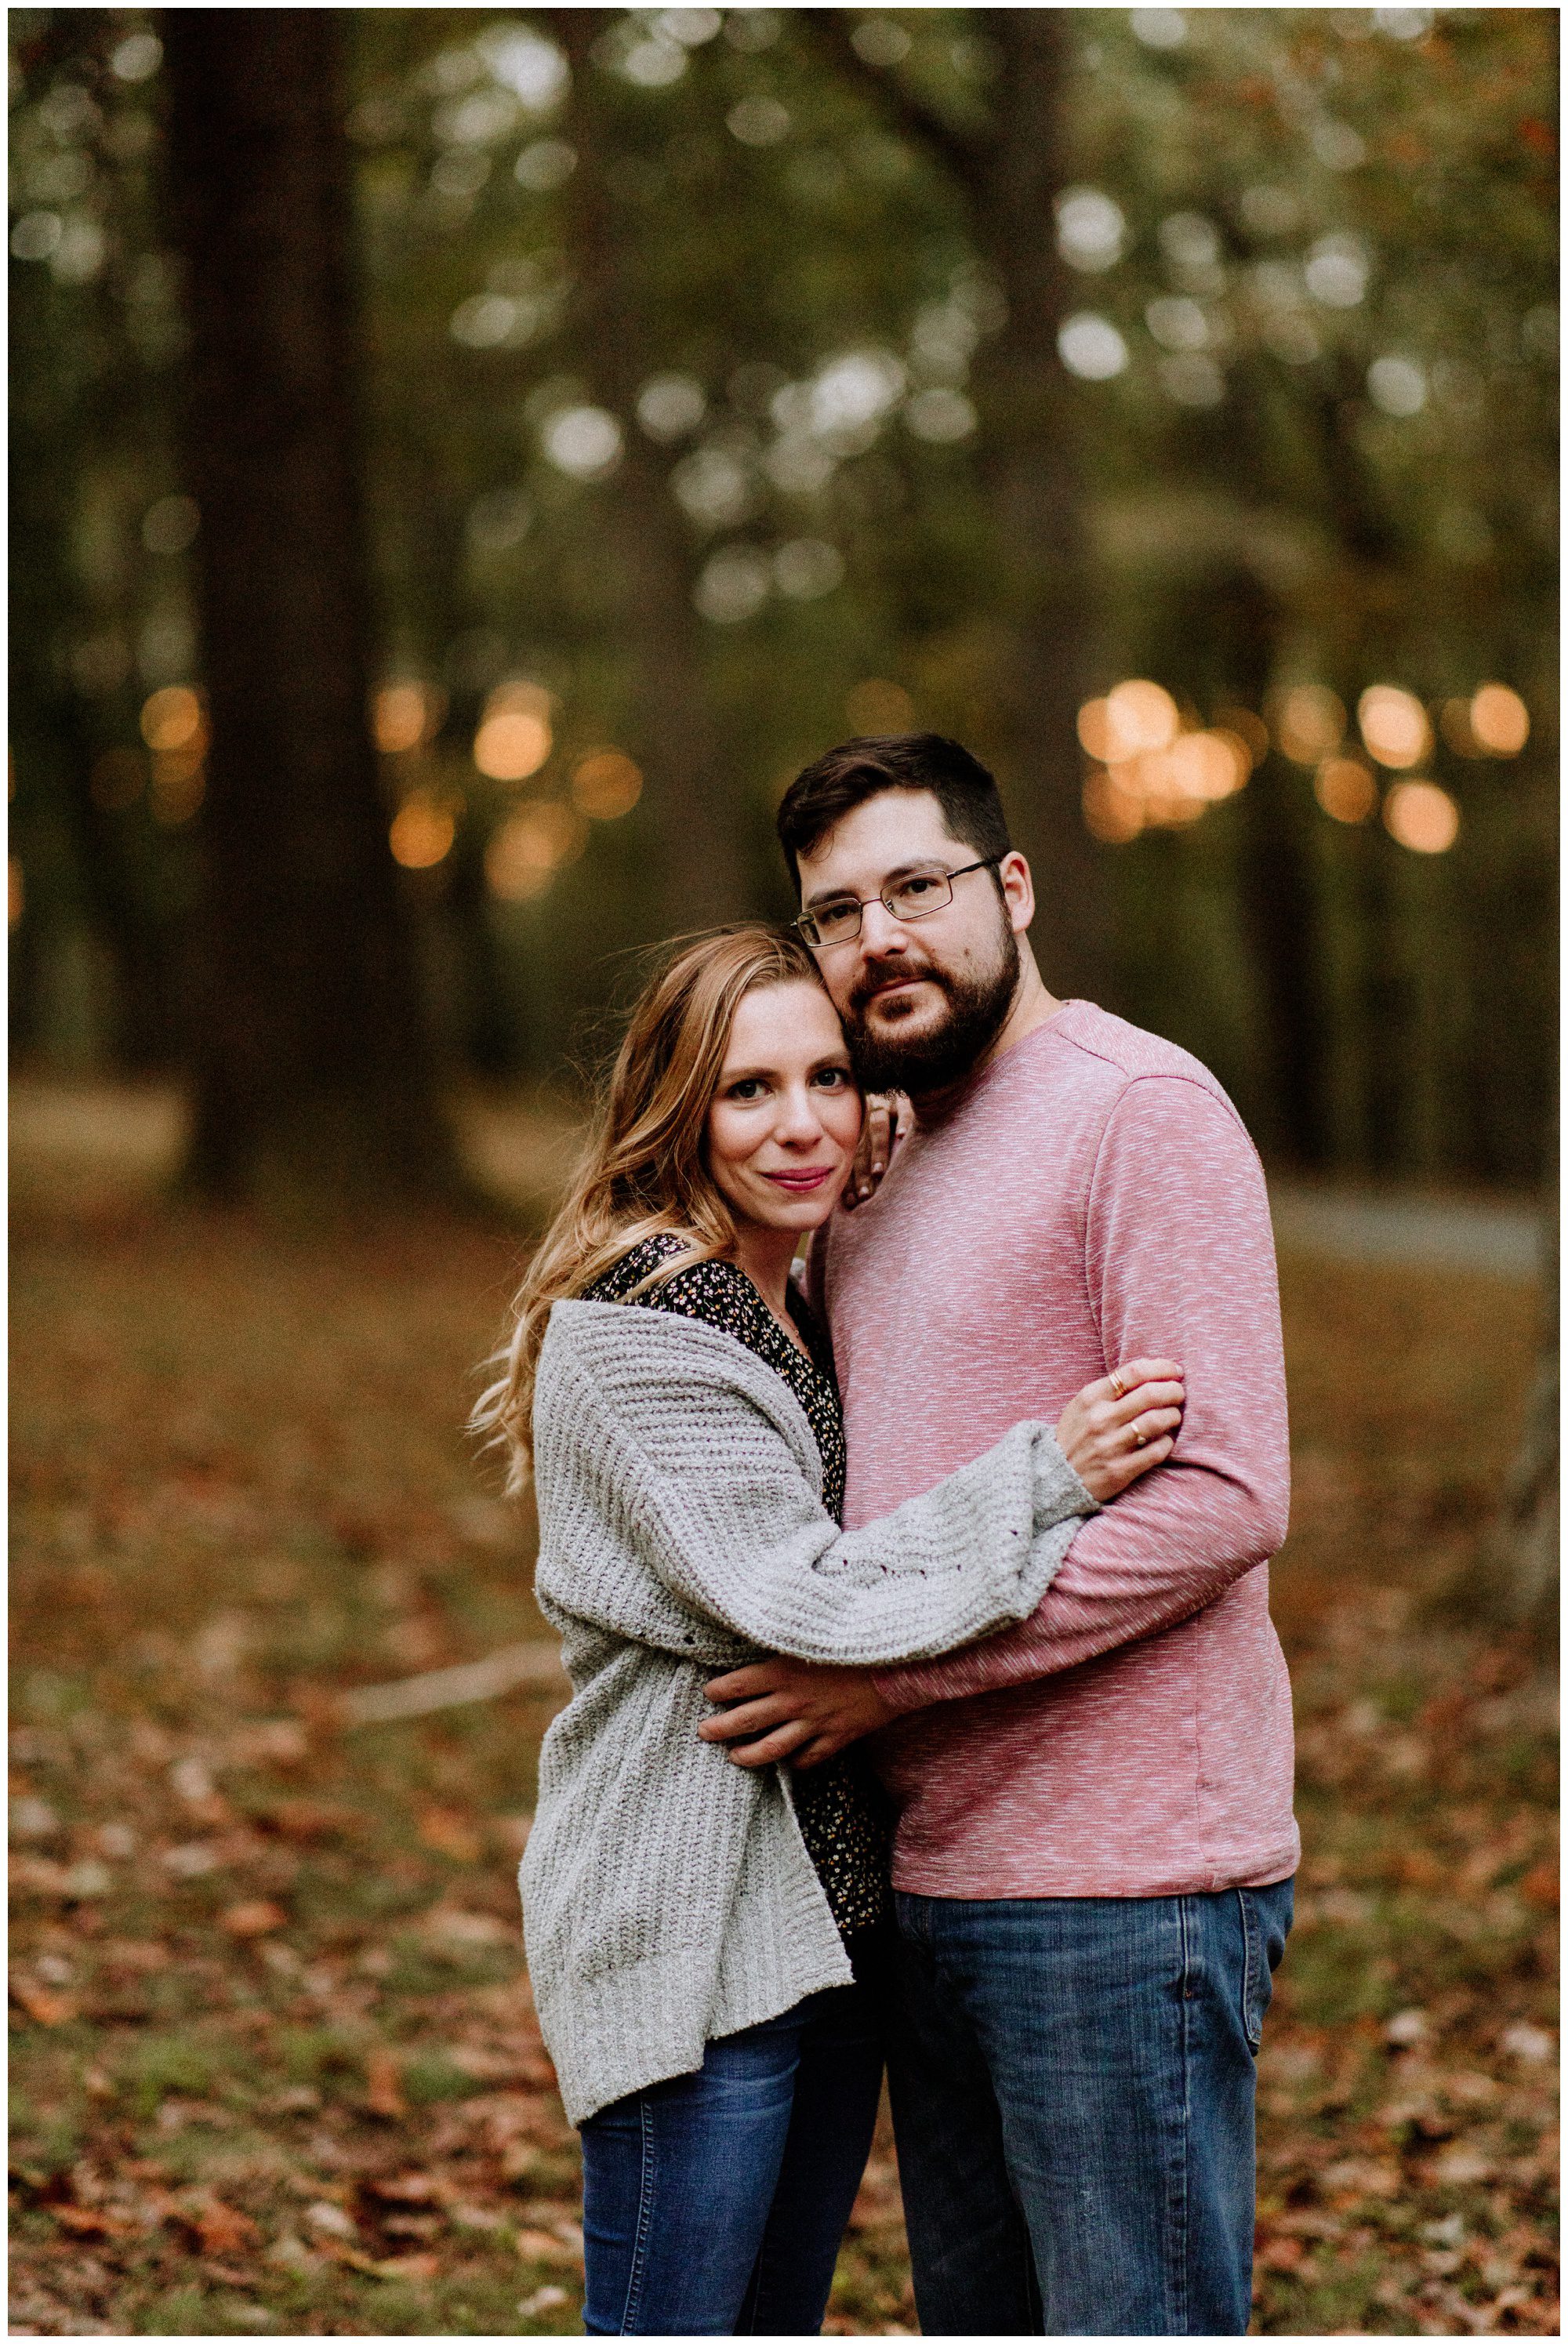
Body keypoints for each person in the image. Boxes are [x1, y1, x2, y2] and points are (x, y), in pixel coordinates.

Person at [473, 923, 1185, 2338]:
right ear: (677, 1108)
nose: (799, 1123)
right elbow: (813, 1598)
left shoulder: (790, 1286)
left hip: (825, 1927)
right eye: (748, 1089)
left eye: (830, 1079)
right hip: (687, 1935)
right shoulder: (643, 1324)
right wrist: (1049, 1473)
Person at [697, 734, 1298, 2339]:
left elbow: (1227, 1498)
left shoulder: (1136, 1112)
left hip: (1125, 1881)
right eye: (836, 913)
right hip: (932, 1876)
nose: (879, 936)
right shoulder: (871, 1156)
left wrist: (888, 1687)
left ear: (1011, 889)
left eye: (917, 886)